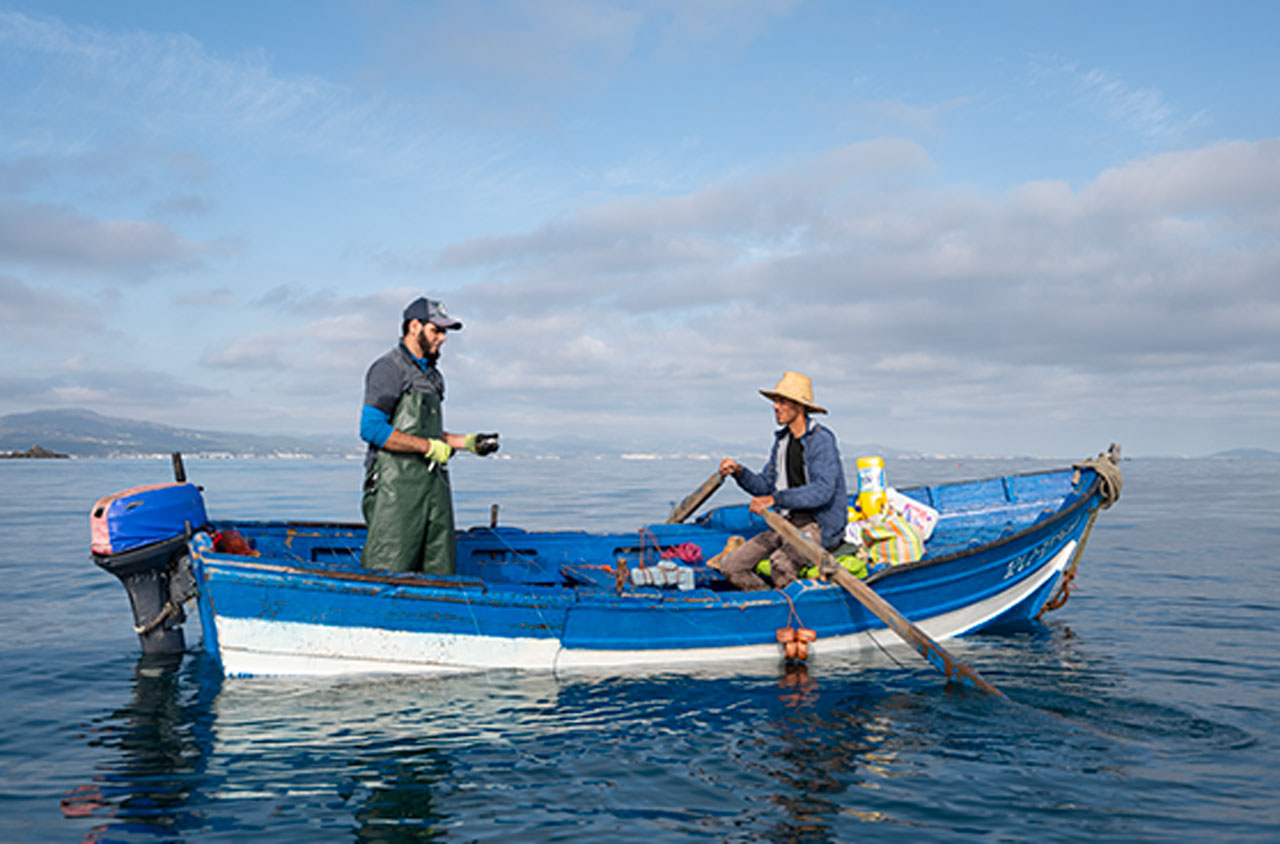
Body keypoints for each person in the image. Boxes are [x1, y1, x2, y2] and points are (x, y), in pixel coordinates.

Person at [359, 296, 499, 573]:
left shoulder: (434, 377)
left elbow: (427, 433)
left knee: (439, 567)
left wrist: (468, 442)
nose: (443, 338)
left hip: (434, 488)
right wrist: (427, 447)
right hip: (395, 490)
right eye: (437, 330)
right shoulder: (389, 368)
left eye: (445, 332)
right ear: (414, 327)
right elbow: (371, 429)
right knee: (389, 568)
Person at [715, 372, 848, 590]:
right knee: (731, 566)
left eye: (782, 402)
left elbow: (822, 491)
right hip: (786, 522)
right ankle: (769, 602)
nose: (775, 407)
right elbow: (765, 486)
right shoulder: (782, 442)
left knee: (780, 563)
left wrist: (774, 499)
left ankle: (794, 613)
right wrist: (739, 472)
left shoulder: (821, 440)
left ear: (800, 406)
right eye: (775, 402)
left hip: (818, 526)